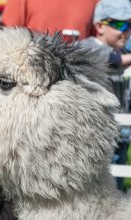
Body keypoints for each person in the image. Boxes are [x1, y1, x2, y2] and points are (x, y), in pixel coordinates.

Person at [81, 0, 131, 191]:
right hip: (95, 136)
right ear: (100, 26)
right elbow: (113, 61)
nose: (126, 30)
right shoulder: (87, 48)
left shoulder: (124, 51)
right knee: (95, 185)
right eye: (120, 24)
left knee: (117, 184)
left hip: (121, 133)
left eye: (130, 25)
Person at [1, 0, 99, 40]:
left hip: (78, 75)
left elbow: (100, 41)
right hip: (31, 74)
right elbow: (6, 38)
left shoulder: (97, 2)